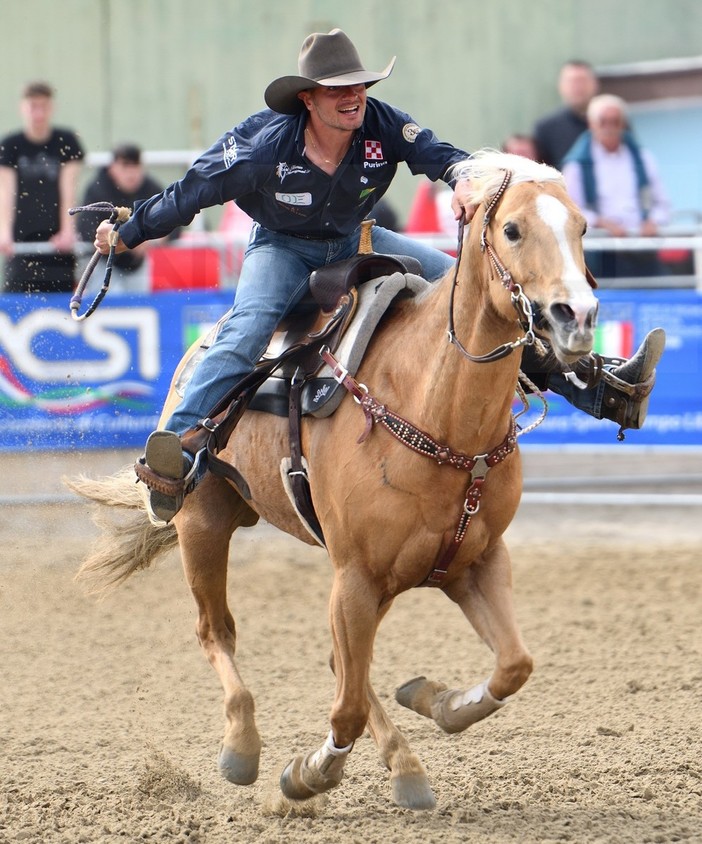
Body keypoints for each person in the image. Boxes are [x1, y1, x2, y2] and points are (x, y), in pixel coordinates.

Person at [92, 29, 664, 525]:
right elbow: (191, 193)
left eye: (360, 86)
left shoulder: (384, 124)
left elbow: (442, 156)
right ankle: (175, 458)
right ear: (308, 99)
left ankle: (602, 391)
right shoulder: (262, 144)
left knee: (479, 295)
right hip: (281, 249)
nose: (354, 98)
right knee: (246, 330)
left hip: (358, 239)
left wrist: (464, 180)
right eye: (339, 89)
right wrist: (125, 234)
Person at [561, 93, 671, 278]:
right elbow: (571, 210)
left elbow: (662, 203)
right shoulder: (577, 164)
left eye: (615, 121)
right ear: (591, 124)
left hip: (642, 248)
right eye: (603, 121)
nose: (609, 127)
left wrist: (652, 221)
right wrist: (602, 223)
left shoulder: (642, 158)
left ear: (623, 124)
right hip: (601, 251)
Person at [0, 81, 84, 293]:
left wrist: (67, 230)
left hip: (56, 239)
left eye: (43, 106)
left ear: (51, 108)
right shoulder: (10, 145)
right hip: (21, 240)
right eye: (33, 107)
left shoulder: (66, 141)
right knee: (18, 298)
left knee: (62, 299)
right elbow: (6, 191)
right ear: (23, 108)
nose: (38, 114)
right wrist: (4, 231)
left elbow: (69, 189)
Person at [77, 143, 179, 293]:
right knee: (107, 307)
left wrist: (151, 240)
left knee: (138, 307)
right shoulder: (97, 190)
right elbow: (86, 230)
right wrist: (128, 239)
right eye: (125, 166)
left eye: (135, 166)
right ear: (112, 168)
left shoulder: (150, 188)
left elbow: (174, 220)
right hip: (102, 262)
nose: (131, 173)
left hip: (137, 265)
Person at [533, 60, 599, 169]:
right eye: (572, 81)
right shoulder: (546, 128)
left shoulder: (611, 121)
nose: (577, 87)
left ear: (595, 84)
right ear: (561, 86)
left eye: (582, 80)